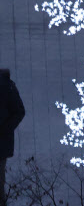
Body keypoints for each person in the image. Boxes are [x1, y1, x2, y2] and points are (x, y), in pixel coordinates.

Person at [0, 69, 25, 206]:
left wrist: (4, 130)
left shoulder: (6, 86)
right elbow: (19, 112)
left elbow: (19, 112)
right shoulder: (7, 85)